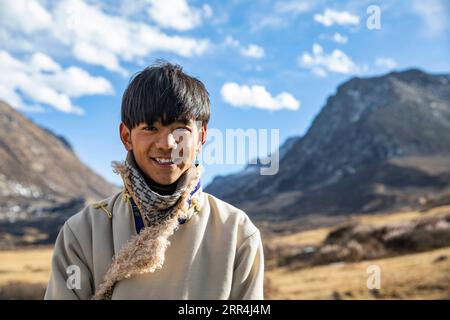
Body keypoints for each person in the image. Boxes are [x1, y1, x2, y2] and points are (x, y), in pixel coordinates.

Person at [44, 61, 264, 300]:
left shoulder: (237, 233)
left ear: (201, 137)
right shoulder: (82, 232)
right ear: (126, 137)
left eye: (180, 129)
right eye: (150, 128)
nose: (166, 144)